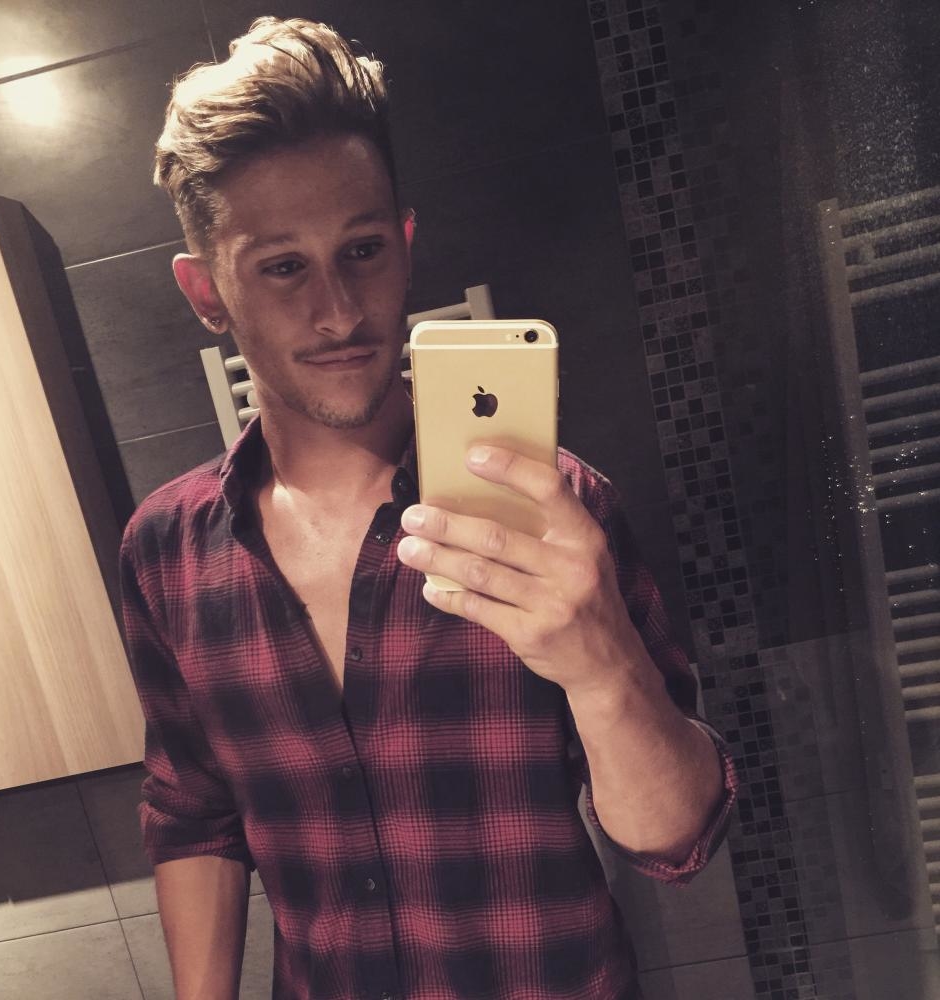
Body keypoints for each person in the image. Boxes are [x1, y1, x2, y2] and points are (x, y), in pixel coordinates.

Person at [120, 16, 737, 1000]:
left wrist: (602, 667)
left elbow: (677, 841)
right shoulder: (166, 551)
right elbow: (192, 810)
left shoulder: (555, 509)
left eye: (362, 249)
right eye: (283, 266)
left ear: (405, 245)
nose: (337, 310)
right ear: (206, 294)